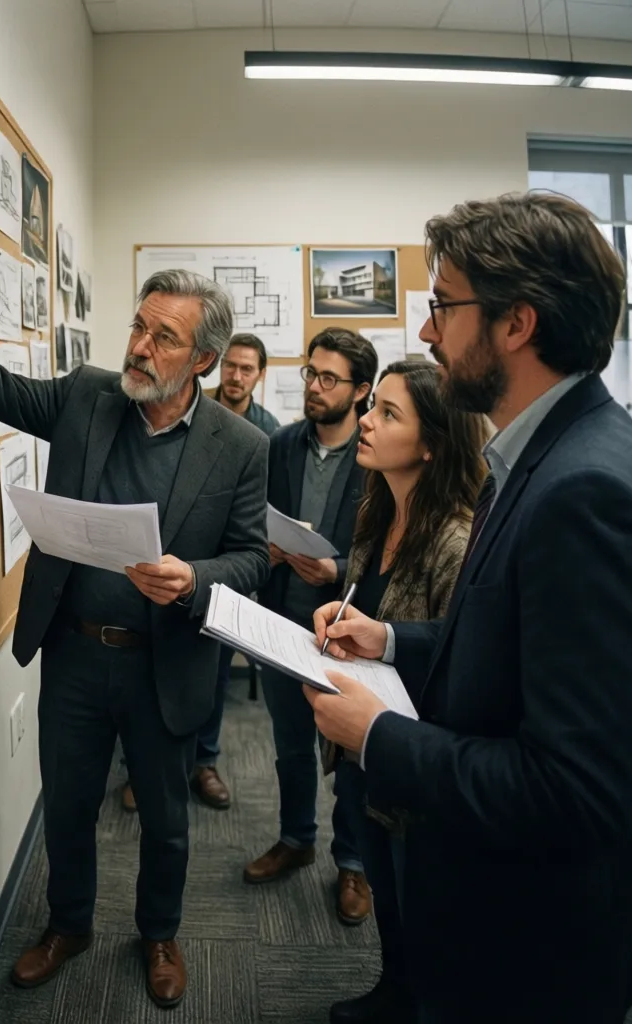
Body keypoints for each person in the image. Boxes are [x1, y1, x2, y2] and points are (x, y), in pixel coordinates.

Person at [309, 192, 632, 1023]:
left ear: (516, 324)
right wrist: (391, 639)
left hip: (543, 946)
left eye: (444, 306)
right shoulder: (544, 457)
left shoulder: (588, 492)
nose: (427, 332)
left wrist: (377, 734)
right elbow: (512, 646)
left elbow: (574, 793)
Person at [0, 241, 270, 1010]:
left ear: (204, 361)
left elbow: (251, 559)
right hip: (75, 653)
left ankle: (160, 934)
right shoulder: (89, 396)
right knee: (70, 804)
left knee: (166, 820)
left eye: (164, 338)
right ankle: (68, 924)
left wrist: (193, 578)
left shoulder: (242, 448)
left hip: (165, 663)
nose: (140, 347)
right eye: (140, 326)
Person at [326, 361, 487, 1024]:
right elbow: (371, 613)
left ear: (431, 444)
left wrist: (382, 637)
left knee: (423, 907)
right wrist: (340, 619)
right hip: (367, 747)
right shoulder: (378, 511)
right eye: (373, 407)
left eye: (388, 413)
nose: (365, 421)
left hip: (415, 759)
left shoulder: (457, 538)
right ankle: (393, 992)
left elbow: (462, 654)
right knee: (386, 896)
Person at [243, 328, 378, 927]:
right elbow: (255, 519)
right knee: (291, 743)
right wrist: (265, 549)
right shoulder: (280, 444)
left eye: (329, 378)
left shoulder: (375, 452)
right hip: (284, 617)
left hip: (350, 628)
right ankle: (296, 838)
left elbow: (387, 547)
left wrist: (336, 569)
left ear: (361, 390)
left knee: (353, 752)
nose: (315, 388)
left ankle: (352, 862)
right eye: (310, 374)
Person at [121, 333, 279, 814]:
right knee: (154, 677)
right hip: (169, 574)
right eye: (231, 366)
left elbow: (257, 522)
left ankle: (204, 762)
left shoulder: (265, 433)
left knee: (212, 675)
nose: (236, 375)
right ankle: (142, 768)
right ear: (215, 366)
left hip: (223, 578)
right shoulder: (188, 412)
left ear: (260, 376)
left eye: (247, 369)